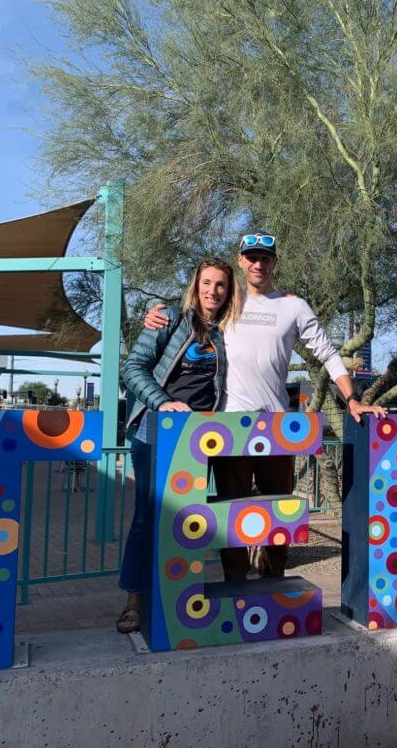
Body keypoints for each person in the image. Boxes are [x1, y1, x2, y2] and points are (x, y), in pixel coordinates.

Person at [144, 230, 386, 580]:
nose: (258, 264)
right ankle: (235, 583)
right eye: (252, 257)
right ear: (241, 262)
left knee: (280, 511)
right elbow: (190, 309)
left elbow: (328, 354)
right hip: (229, 426)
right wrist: (155, 314)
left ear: (274, 263)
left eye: (265, 258)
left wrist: (352, 399)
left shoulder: (293, 306)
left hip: (276, 427)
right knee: (230, 515)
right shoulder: (226, 301)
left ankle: (274, 582)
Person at [116, 257, 243, 634]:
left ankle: (175, 600)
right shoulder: (170, 318)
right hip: (156, 431)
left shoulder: (226, 332)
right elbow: (132, 368)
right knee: (147, 516)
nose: (213, 291)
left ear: (229, 291)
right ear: (195, 285)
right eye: (207, 283)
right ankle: (134, 602)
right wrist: (163, 402)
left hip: (198, 440)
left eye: (220, 285)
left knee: (187, 520)